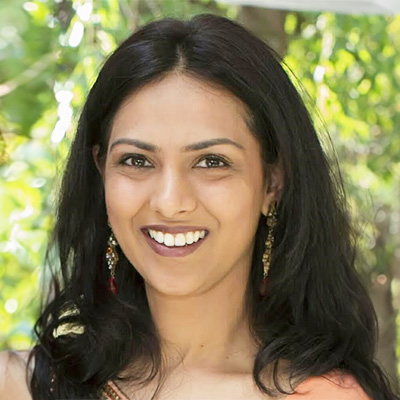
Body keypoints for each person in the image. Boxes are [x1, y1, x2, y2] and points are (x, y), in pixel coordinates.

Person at [0, 13, 398, 400]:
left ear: (272, 183)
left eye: (211, 162)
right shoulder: (20, 386)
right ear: (101, 173)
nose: (171, 203)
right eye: (137, 161)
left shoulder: (323, 396)